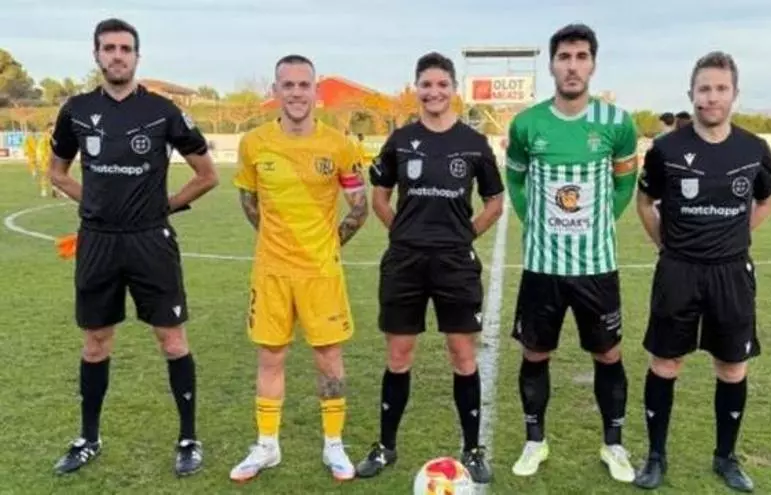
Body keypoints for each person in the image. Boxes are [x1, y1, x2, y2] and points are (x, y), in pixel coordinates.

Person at [48, 18, 219, 476]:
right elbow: (57, 172)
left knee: (172, 339)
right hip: (98, 242)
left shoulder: (163, 111)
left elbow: (207, 175)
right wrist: (94, 201)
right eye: (109, 48)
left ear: (137, 57)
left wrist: (167, 205)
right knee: (95, 343)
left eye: (125, 49)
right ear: (96, 56)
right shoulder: (77, 109)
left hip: (150, 240)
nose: (117, 56)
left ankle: (188, 438)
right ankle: (88, 438)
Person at [355, 52, 504, 484]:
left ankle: (472, 449)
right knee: (399, 355)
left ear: (453, 89)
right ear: (416, 88)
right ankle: (386, 447)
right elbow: (380, 195)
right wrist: (403, 232)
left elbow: (495, 202)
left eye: (442, 84)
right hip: (405, 262)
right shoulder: (400, 140)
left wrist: (464, 236)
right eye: (426, 84)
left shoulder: (474, 143)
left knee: (462, 353)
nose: (434, 92)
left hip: (455, 263)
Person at [632, 51, 771, 493]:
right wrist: (666, 244)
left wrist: (736, 236)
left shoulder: (754, 149)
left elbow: (766, 199)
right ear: (691, 94)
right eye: (704, 89)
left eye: (720, 89)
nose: (712, 97)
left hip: (731, 274)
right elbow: (645, 202)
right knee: (665, 362)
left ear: (734, 94)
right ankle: (655, 457)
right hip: (678, 271)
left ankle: (725, 457)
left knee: (732, 366)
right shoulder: (666, 149)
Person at [504, 23, 639, 483]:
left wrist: (599, 221)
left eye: (581, 56)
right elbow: (516, 179)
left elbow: (624, 184)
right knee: (535, 354)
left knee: (608, 354)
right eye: (564, 57)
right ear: (552, 65)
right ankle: (535, 441)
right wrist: (534, 221)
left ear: (593, 64)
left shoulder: (617, 123)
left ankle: (614, 445)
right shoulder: (527, 124)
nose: (573, 66)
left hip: (597, 267)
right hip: (542, 267)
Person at [229, 54, 368, 483]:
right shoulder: (254, 143)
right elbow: (248, 200)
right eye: (287, 85)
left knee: (329, 356)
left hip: (320, 274)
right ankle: (267, 445)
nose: (295, 93)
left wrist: (326, 246)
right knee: (270, 356)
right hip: (271, 272)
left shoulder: (340, 146)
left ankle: (334, 445)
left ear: (315, 92)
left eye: (303, 85)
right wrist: (275, 242)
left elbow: (359, 207)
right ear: (275, 92)